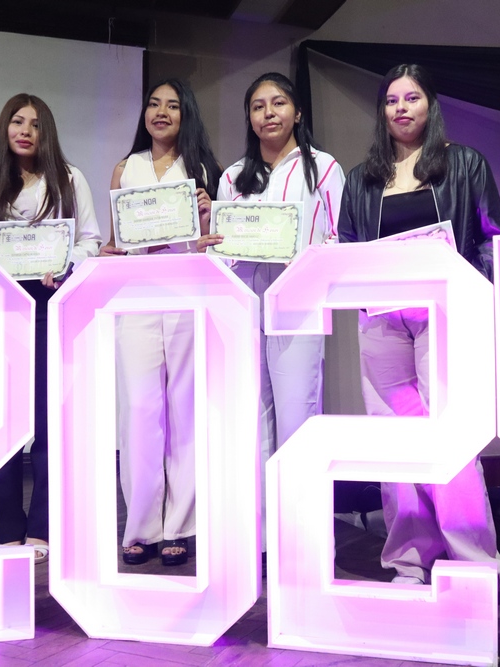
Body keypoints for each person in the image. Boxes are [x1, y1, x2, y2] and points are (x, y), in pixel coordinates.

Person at [338, 64, 500, 584]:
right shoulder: (361, 178)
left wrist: (474, 293)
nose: (401, 108)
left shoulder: (465, 163)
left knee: (451, 437)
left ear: (430, 105)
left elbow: (492, 240)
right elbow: (348, 243)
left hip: (444, 313)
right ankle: (410, 559)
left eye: (411, 98)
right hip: (382, 319)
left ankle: (474, 564)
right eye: (391, 100)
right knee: (395, 440)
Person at [201, 73, 345, 528]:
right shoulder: (232, 176)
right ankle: (259, 537)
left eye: (278, 103)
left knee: (297, 417)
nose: (269, 113)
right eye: (258, 106)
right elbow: (221, 251)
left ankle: (302, 535)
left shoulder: (323, 168)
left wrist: (302, 256)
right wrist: (213, 244)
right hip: (244, 308)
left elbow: (339, 238)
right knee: (251, 421)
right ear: (249, 117)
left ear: (297, 112)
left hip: (298, 305)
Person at [100, 78, 219, 567]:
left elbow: (211, 241)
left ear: (185, 114)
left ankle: (181, 526)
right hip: (137, 297)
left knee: (184, 411)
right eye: (154, 104)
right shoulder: (125, 168)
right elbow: (116, 241)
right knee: (140, 410)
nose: (162, 112)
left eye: (172, 105)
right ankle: (141, 526)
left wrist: (207, 219)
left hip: (187, 294)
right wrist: (107, 251)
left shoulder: (203, 168)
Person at [0, 94, 101, 564]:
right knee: (3, 426)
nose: (25, 131)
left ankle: (42, 529)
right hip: (1, 311)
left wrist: (65, 263)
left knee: (51, 425)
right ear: (5, 128)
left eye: (35, 124)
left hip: (53, 307)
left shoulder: (69, 179)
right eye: (17, 121)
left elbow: (91, 241)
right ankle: (8, 533)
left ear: (46, 132)